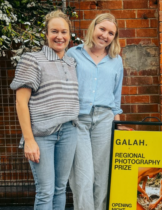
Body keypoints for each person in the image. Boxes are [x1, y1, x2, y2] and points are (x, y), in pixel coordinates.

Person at [10, 10, 79, 209]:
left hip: (69, 132)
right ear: (46, 34)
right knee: (45, 191)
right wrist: (29, 140)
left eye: (64, 32)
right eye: (54, 31)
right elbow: (21, 102)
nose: (60, 36)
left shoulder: (71, 62)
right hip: (42, 135)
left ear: (69, 35)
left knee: (60, 189)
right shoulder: (32, 60)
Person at [66, 13, 129, 210]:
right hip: (78, 120)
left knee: (102, 175)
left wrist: (117, 125)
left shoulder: (115, 60)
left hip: (105, 120)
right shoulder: (72, 54)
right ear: (93, 28)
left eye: (111, 33)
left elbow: (115, 96)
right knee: (83, 177)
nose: (105, 35)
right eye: (102, 29)